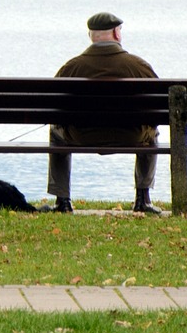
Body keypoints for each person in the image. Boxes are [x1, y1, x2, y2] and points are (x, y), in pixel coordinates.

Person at [47, 11, 161, 215]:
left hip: (81, 137)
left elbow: (53, 106)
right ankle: (142, 199)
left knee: (56, 131)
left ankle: (62, 200)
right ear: (117, 34)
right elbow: (160, 107)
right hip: (130, 136)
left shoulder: (72, 67)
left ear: (91, 36)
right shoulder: (138, 67)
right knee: (151, 133)